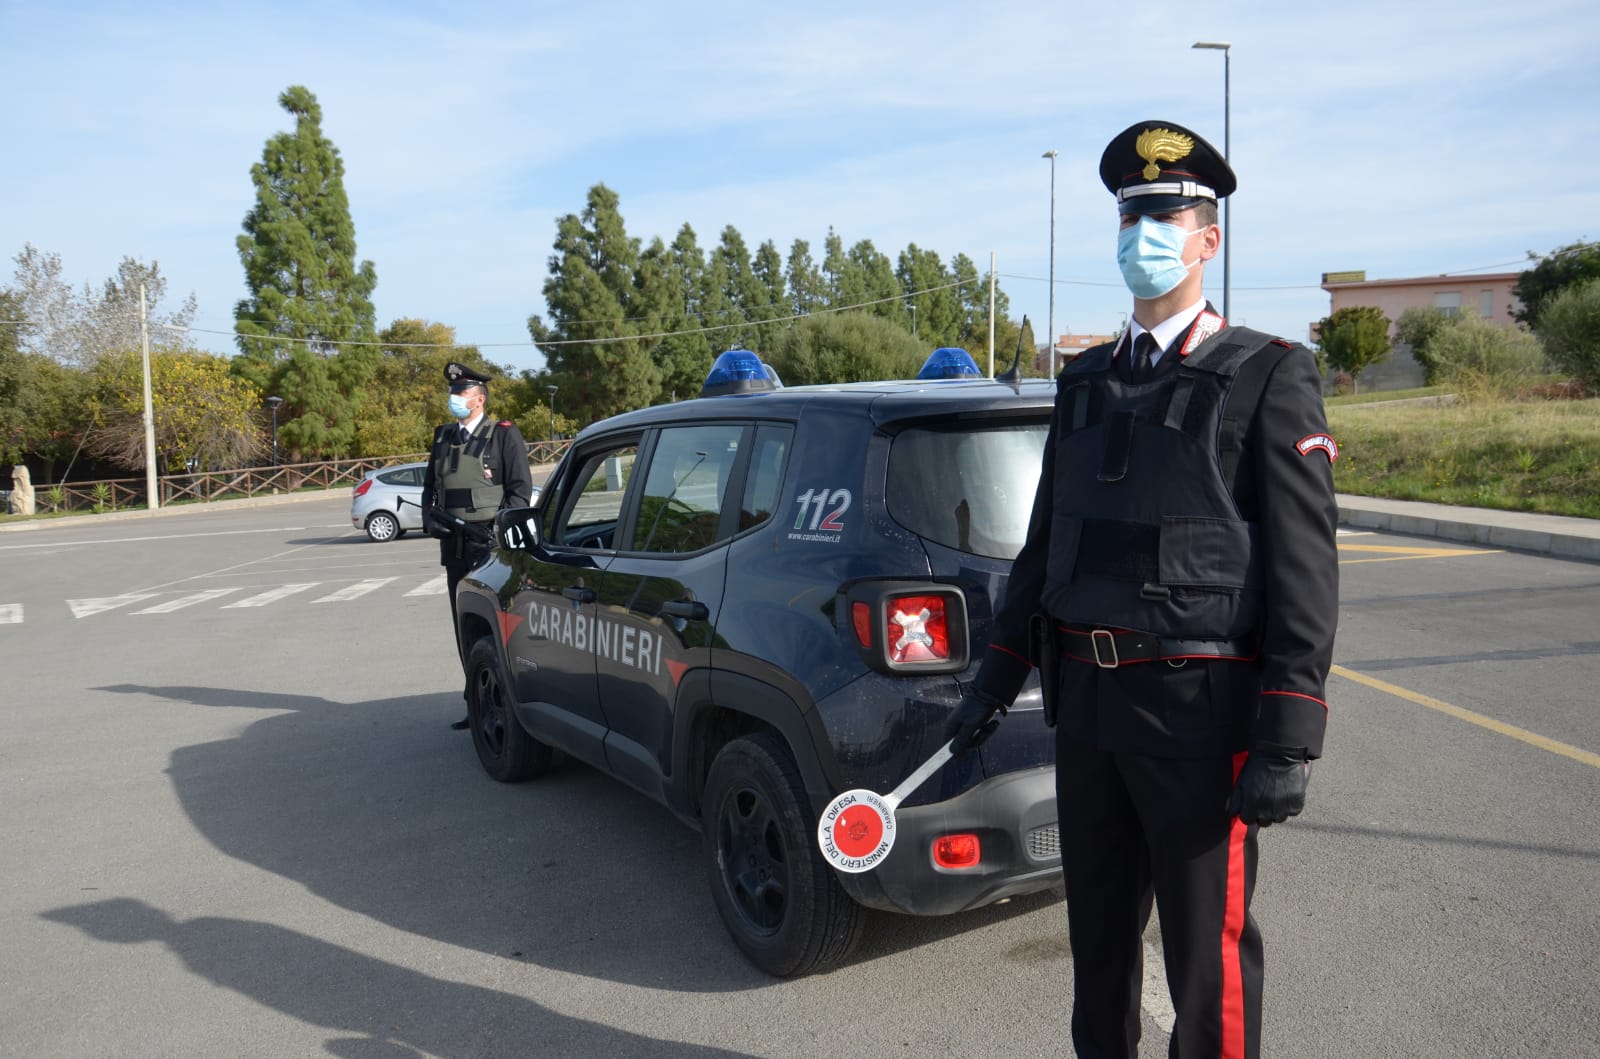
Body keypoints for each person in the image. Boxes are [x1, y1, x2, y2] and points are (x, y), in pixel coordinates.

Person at [946, 120, 1339, 1058]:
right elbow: (1048, 551)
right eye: (1131, 216)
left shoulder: (1268, 375)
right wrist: (994, 680)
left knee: (1208, 971)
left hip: (1200, 724)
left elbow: (1304, 566)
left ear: (1209, 237)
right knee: (1100, 958)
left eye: (1168, 214)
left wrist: (1290, 731)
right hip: (1086, 713)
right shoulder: (1083, 383)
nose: (1144, 233)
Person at [420, 361, 534, 730]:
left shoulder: (503, 435)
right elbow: (429, 490)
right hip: (454, 546)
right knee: (464, 625)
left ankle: (508, 701)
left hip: (490, 545)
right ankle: (477, 700)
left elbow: (519, 492)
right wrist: (430, 518)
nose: (453, 398)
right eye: (452, 392)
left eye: (460, 393)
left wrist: (499, 533)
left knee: (496, 627)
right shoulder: (442, 437)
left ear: (479, 399)